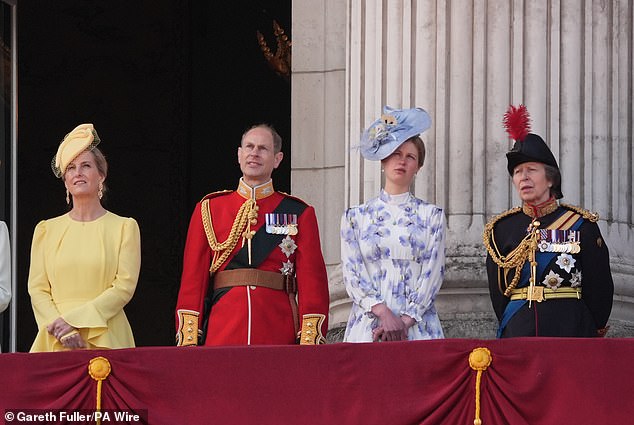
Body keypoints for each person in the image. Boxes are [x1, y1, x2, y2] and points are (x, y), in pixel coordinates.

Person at [175, 124, 330, 346]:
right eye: (249, 146)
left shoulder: (299, 212)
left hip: (277, 328)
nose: (254, 153)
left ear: (277, 159)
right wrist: (189, 340)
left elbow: (312, 283)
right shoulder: (209, 208)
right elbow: (192, 281)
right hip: (224, 328)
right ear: (239, 154)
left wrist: (309, 341)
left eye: (263, 148)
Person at [484, 105, 614, 337]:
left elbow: (599, 287)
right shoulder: (501, 230)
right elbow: (498, 293)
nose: (523, 177)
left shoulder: (581, 225)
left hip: (570, 329)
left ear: (550, 179)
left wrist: (590, 329)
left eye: (531, 170)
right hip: (518, 329)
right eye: (517, 172)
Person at [28, 123, 141, 352]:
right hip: (55, 337)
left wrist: (76, 321)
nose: (77, 173)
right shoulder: (45, 230)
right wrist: (61, 328)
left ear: (101, 175)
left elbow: (123, 288)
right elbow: (37, 290)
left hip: (107, 335)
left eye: (85, 166)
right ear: (65, 180)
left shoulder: (124, 227)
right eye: (70, 167)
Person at [340, 106, 446, 342]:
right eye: (396, 154)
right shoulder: (355, 217)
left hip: (417, 327)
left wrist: (405, 320)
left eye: (410, 157)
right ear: (383, 160)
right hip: (369, 326)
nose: (402, 161)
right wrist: (383, 312)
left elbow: (433, 273)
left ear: (418, 167)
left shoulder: (432, 215)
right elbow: (352, 273)